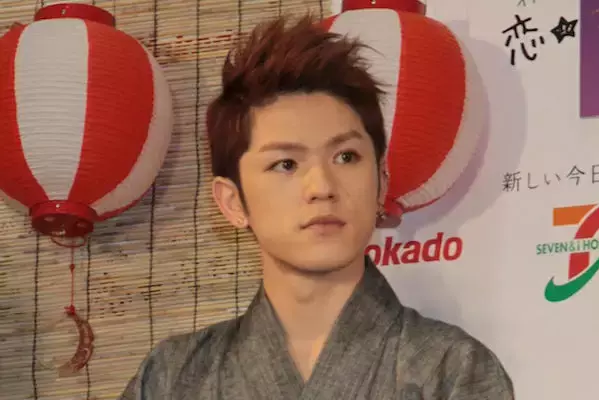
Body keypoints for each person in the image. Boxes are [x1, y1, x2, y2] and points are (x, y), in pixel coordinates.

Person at [118, 15, 514, 400]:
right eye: (286, 164)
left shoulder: (452, 370)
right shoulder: (172, 378)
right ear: (232, 202)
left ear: (381, 182)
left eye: (346, 157)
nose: (322, 187)